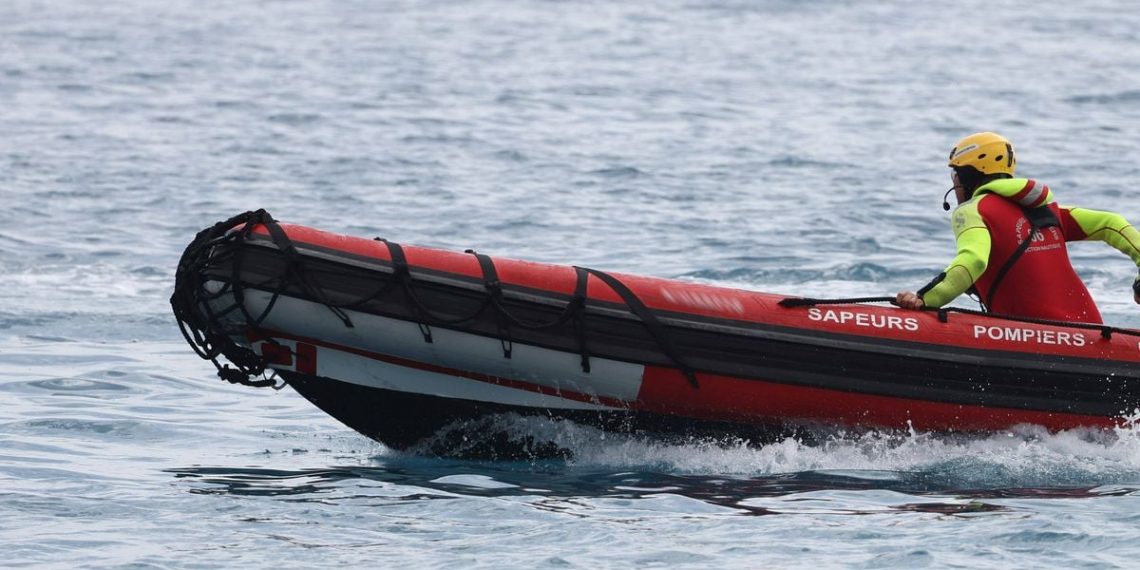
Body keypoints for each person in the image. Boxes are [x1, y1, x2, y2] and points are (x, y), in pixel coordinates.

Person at [895, 132, 1140, 324]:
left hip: (1035, 340)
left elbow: (974, 260)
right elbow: (1112, 224)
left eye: (956, 175)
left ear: (969, 175)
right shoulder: (1050, 211)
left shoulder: (974, 210)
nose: (954, 183)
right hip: (1092, 334)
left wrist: (924, 299)